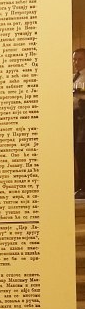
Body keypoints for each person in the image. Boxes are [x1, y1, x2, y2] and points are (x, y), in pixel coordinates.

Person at [74, 49, 85, 198]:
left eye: (80, 59)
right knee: (76, 154)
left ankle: (83, 187)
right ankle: (79, 185)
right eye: (74, 59)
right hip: (73, 119)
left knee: (81, 152)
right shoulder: (73, 77)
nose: (76, 62)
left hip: (82, 117)